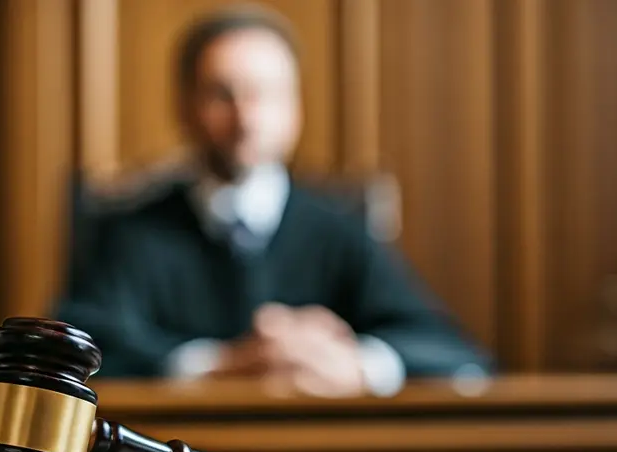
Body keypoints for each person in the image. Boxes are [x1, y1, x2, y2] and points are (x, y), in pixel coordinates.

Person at [55, 4, 492, 397]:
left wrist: (357, 364)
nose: (247, 117)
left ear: (295, 108)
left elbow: (455, 354)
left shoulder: (339, 229)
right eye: (223, 94)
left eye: (266, 93)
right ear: (185, 107)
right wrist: (216, 366)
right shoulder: (131, 231)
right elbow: (74, 354)